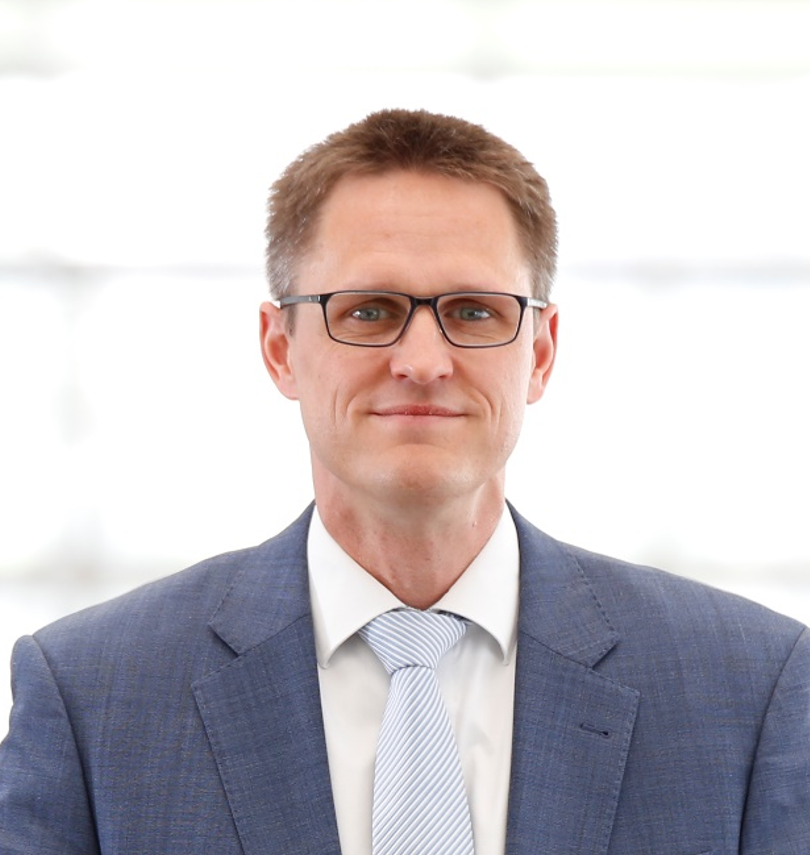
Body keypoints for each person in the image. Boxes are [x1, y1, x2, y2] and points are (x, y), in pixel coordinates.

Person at [0, 109, 808, 855]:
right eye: (369, 310)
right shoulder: (91, 696)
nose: (423, 361)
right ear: (280, 349)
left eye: (475, 311)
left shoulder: (750, 691)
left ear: (541, 351)